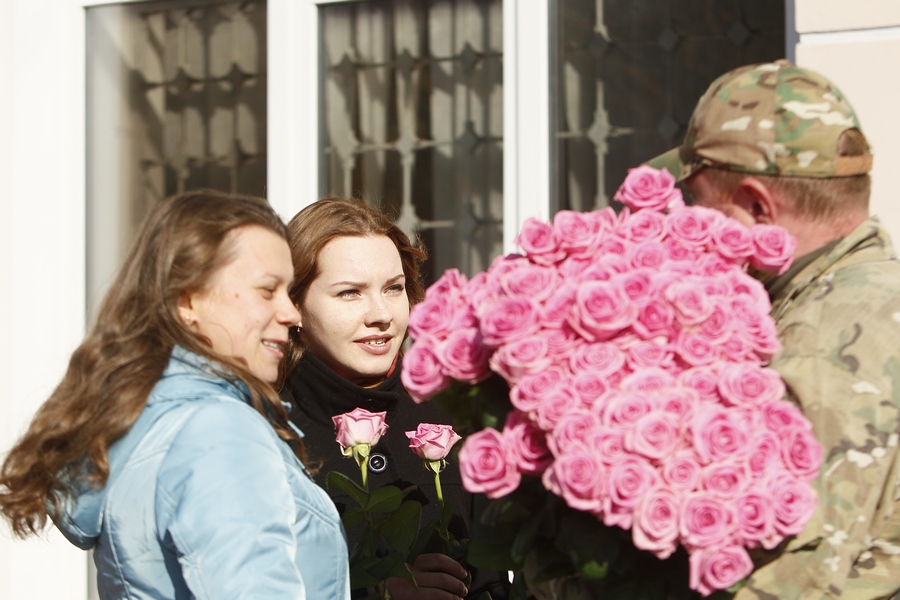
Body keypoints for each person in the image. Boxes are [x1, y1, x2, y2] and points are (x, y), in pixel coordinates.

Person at [0, 190, 351, 599]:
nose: (291, 314)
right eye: (266, 290)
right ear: (188, 302)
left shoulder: (148, 421)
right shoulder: (218, 430)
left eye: (288, 292)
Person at [648, 59, 900, 599]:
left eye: (698, 203)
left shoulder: (824, 348)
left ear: (756, 206)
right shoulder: (876, 293)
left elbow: (776, 587)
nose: (688, 225)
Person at [280, 197, 509, 600]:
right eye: (350, 293)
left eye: (394, 288)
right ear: (294, 305)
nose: (381, 314)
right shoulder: (270, 429)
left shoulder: (452, 406)